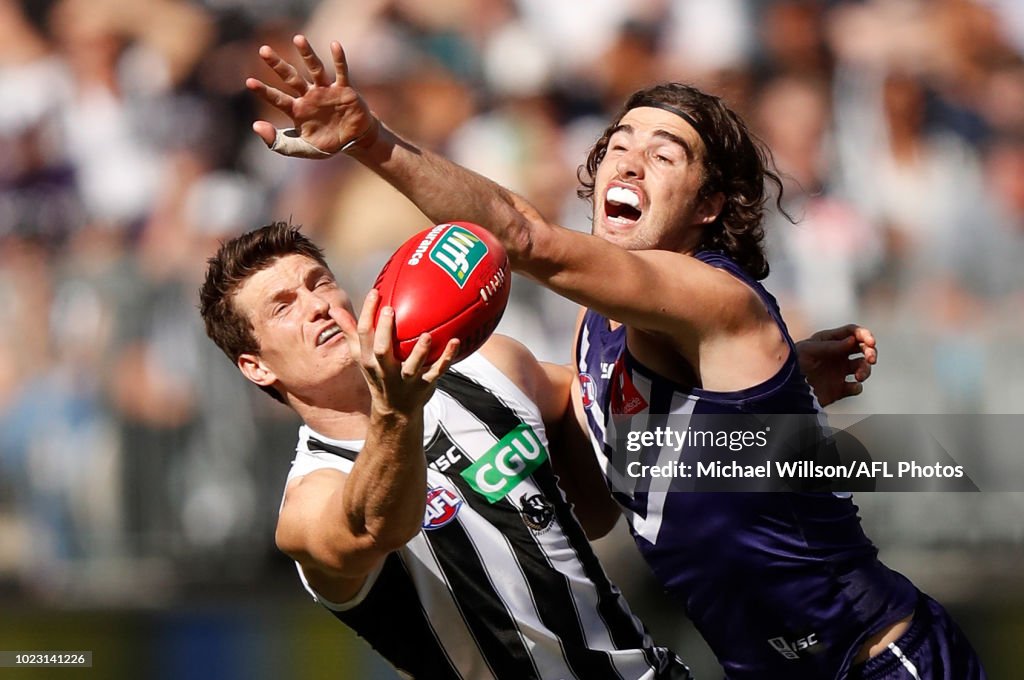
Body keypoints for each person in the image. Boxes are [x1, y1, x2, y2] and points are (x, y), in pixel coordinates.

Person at [244, 36, 987, 680]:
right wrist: (778, 393)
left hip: (876, 660)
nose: (630, 162)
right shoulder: (599, 324)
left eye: (665, 155)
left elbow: (527, 241)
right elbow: (619, 490)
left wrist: (370, 140)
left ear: (709, 207)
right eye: (618, 147)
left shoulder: (716, 301)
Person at [198, 222, 695, 679]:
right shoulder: (308, 501)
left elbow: (588, 414)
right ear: (257, 367)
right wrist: (397, 414)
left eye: (319, 282)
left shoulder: (490, 366)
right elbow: (374, 525)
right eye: (283, 307)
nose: (316, 305)